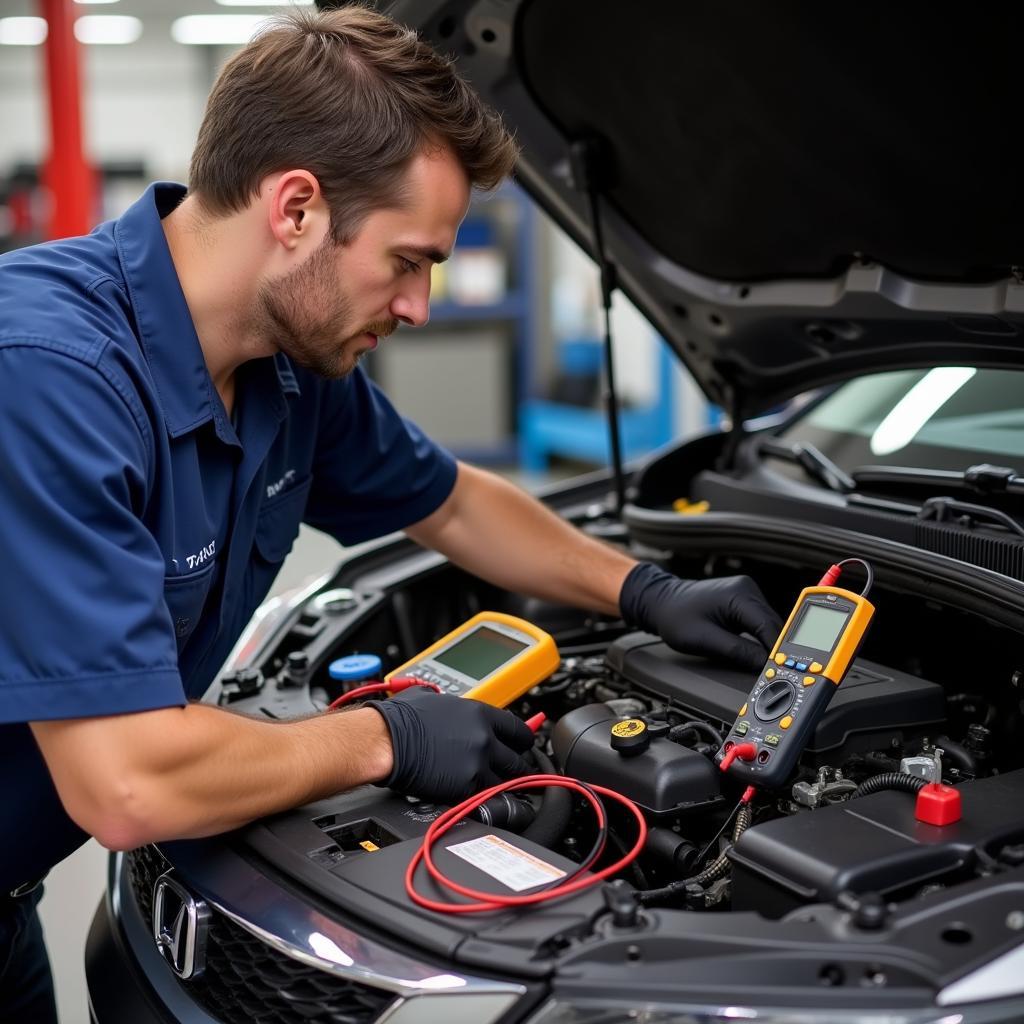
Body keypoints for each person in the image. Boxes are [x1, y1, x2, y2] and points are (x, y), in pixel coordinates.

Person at [0, 7, 781, 1018]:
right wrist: (384, 738)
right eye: (407, 260)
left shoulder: (286, 368)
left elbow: (453, 504)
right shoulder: (49, 375)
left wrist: (643, 587)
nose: (418, 305)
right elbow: (128, 786)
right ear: (295, 210)